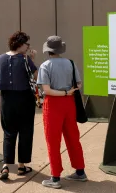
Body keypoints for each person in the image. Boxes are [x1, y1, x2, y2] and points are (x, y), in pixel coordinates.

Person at [37, 36, 87, 189]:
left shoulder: (45, 65)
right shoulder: (70, 63)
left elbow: (45, 90)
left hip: (53, 104)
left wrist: (62, 93)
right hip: (69, 102)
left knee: (53, 140)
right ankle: (80, 171)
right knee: (73, 136)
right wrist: (68, 92)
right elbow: (79, 83)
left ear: (48, 50)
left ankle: (55, 177)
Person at [0, 31, 37, 180]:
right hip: (24, 99)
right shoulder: (25, 59)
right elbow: (36, 76)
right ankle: (21, 166)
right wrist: (32, 59)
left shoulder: (0, 59)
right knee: (25, 132)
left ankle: (5, 166)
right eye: (26, 44)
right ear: (20, 44)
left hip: (6, 99)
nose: (28, 46)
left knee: (8, 132)